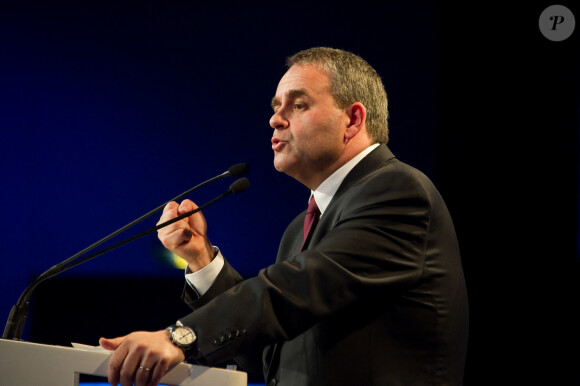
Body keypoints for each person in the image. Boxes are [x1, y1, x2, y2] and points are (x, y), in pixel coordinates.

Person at [100, 47, 469, 386]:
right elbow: (265, 357)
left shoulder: (398, 192)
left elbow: (299, 289)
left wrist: (180, 336)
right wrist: (201, 259)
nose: (276, 119)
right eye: (276, 106)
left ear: (353, 119)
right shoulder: (300, 229)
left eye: (299, 105)